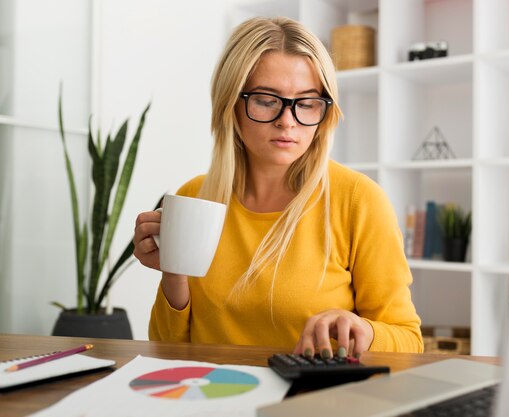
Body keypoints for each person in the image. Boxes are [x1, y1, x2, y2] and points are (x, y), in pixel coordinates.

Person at [133, 16, 423, 359]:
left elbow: (409, 341)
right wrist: (173, 273)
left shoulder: (358, 200)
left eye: (307, 102)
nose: (288, 120)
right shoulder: (194, 197)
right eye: (267, 100)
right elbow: (168, 350)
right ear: (232, 103)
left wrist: (364, 329)